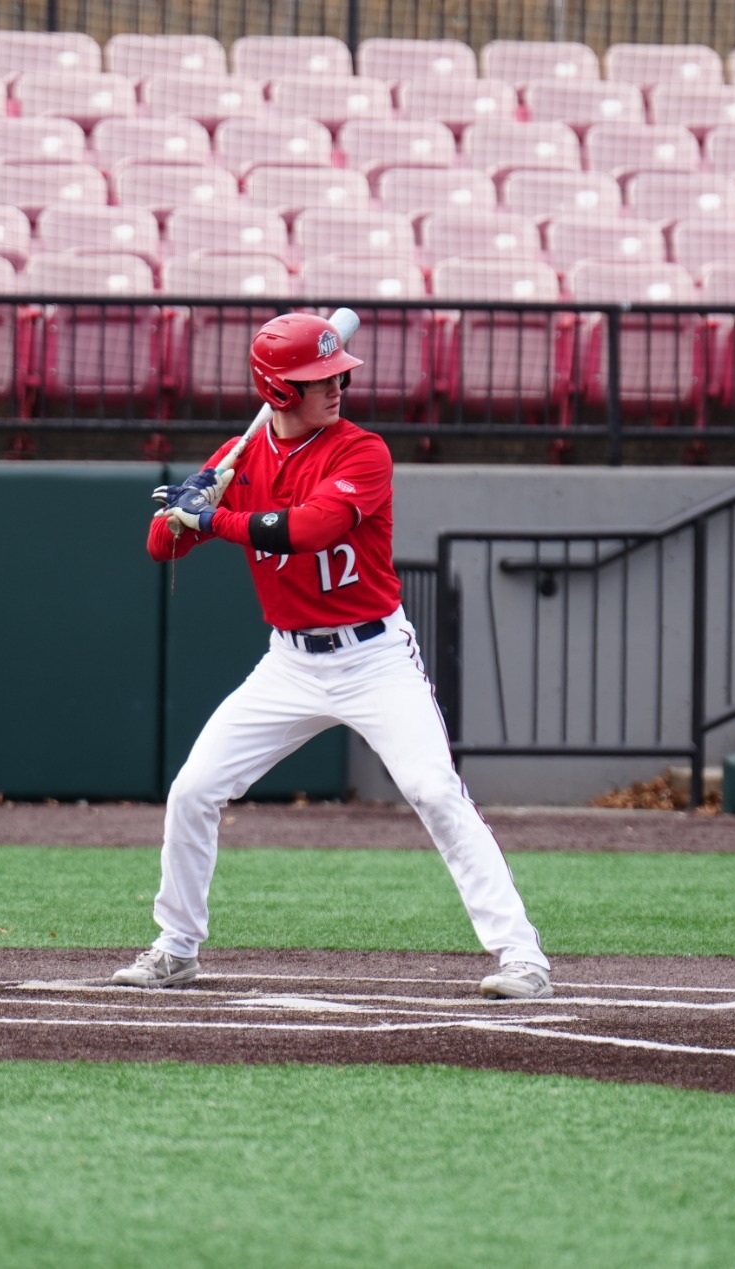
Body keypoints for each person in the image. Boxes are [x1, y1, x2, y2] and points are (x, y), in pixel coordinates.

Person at [113, 313, 553, 1000]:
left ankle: (521, 954)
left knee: (435, 790)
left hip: (374, 657)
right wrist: (189, 507)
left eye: (337, 373)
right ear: (277, 391)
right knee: (194, 789)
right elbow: (159, 546)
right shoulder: (242, 453)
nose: (338, 384)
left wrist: (214, 520)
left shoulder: (363, 452)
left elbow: (310, 530)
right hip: (288, 663)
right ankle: (176, 946)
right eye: (318, 379)